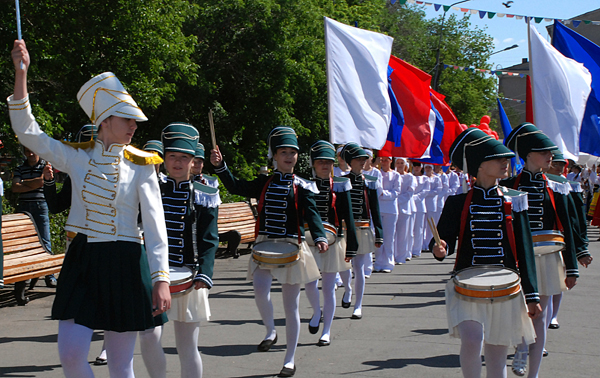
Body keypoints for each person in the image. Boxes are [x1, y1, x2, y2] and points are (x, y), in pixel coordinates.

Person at [9, 40, 170, 378]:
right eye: (127, 119)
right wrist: (20, 75)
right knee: (70, 354)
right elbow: (28, 132)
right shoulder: (77, 158)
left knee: (120, 363)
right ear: (104, 121)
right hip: (83, 259)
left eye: (135, 121)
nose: (134, 126)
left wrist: (160, 279)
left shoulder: (142, 166)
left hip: (126, 260)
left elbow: (156, 229)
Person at [210, 126, 327, 377]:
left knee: (291, 306)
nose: (288, 156)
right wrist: (221, 167)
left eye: (292, 152)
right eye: (283, 152)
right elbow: (236, 186)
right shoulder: (265, 181)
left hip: (292, 247)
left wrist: (319, 237)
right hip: (264, 245)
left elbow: (313, 216)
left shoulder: (303, 185)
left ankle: (289, 359)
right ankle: (271, 331)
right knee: (260, 292)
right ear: (274, 155)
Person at [431, 128, 542, 378]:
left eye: (507, 159)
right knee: (471, 340)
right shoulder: (457, 202)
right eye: (498, 159)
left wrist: (532, 294)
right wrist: (441, 248)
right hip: (466, 285)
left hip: (506, 285)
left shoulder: (515, 201)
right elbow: (441, 241)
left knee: (497, 348)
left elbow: (525, 251)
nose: (506, 163)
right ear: (479, 166)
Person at [501, 123, 586, 378]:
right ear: (528, 155)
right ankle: (521, 347)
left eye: (551, 152)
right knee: (520, 311)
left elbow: (569, 227)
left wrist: (572, 265)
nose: (551, 156)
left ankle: (533, 373)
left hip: (549, 257)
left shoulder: (558, 186)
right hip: (519, 257)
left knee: (541, 314)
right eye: (544, 152)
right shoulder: (507, 185)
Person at [139, 123, 219, 378]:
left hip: (188, 276)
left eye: (184, 157)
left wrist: (204, 273)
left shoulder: (204, 194)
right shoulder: (149, 189)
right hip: (153, 276)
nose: (177, 162)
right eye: (172, 156)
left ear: (193, 160)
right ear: (164, 158)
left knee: (187, 347)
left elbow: (209, 238)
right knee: (149, 337)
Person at [303, 140, 357, 346]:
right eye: (320, 162)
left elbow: (349, 217)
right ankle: (316, 311)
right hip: (309, 241)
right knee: (309, 283)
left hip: (334, 241)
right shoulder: (305, 184)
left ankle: (326, 330)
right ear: (313, 164)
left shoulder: (341, 185)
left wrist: (351, 246)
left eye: (328, 162)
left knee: (328, 286)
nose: (325, 166)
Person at [340, 143, 383, 320]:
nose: (362, 162)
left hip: (363, 228)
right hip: (344, 229)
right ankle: (348, 288)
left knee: (359, 267)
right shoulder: (341, 181)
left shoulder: (370, 183)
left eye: (364, 159)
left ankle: (358, 305)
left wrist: (379, 232)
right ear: (351, 161)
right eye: (358, 159)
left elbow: (375, 209)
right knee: (342, 266)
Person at [12, 145, 57, 291]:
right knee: (24, 243)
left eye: (32, 150)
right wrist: (35, 182)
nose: (30, 153)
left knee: (45, 241)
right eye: (27, 151)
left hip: (40, 206)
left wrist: (24, 183)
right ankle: (24, 275)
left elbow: (42, 182)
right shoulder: (20, 168)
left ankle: (49, 276)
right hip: (24, 207)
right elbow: (15, 187)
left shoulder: (45, 166)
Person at [373, 154, 400, 272]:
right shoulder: (377, 173)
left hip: (391, 210)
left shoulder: (396, 175)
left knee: (389, 237)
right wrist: (382, 194)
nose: (384, 162)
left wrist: (384, 194)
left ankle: (388, 263)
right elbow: (376, 189)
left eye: (386, 160)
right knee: (378, 237)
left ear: (390, 161)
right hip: (378, 208)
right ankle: (378, 262)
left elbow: (396, 192)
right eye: (382, 160)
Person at [394, 157, 416, 265]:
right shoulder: (393, 175)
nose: (399, 165)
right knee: (393, 234)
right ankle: (392, 255)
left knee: (403, 234)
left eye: (402, 163)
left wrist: (396, 199)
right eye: (398, 163)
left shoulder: (410, 177)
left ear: (405, 164)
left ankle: (401, 257)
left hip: (405, 208)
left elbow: (409, 193)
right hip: (393, 208)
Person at [410, 162, 429, 258]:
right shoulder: (410, 177)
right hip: (410, 204)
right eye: (415, 166)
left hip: (420, 205)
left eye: (418, 166)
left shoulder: (425, 178)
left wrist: (415, 197)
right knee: (410, 229)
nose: (416, 168)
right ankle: (409, 249)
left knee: (419, 228)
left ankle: (416, 250)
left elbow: (425, 191)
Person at [422, 164, 442, 252]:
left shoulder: (436, 178)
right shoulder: (422, 178)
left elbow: (438, 190)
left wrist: (427, 193)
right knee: (422, 225)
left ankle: (430, 243)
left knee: (431, 225)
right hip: (422, 203)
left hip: (432, 203)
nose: (428, 169)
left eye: (429, 167)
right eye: (426, 167)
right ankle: (422, 244)